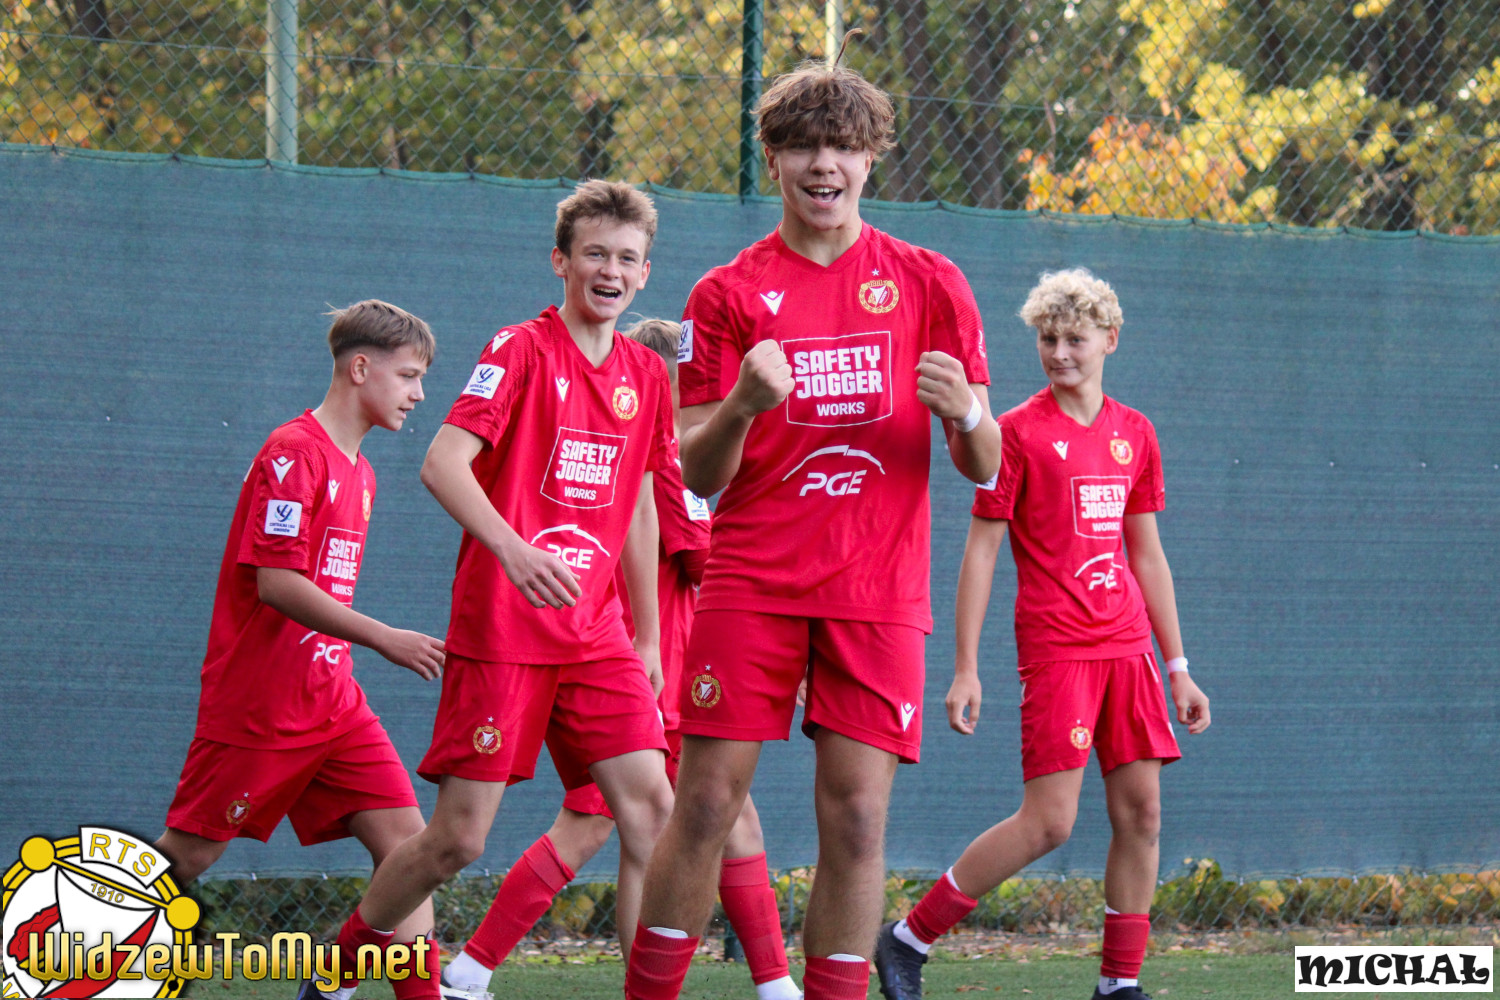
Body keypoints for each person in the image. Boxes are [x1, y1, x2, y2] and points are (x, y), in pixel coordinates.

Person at [623, 44, 1002, 1000]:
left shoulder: (930, 282)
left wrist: (967, 411)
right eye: (801, 147)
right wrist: (741, 406)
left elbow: (986, 465)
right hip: (752, 581)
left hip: (877, 590)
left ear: (870, 159)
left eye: (842, 147)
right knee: (704, 804)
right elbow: (696, 473)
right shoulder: (726, 293)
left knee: (859, 819)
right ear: (774, 160)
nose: (823, 165)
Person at [302, 180, 677, 1000]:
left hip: (598, 636)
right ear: (561, 262)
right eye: (594, 254)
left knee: (653, 813)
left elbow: (641, 503)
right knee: (458, 841)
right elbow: (443, 463)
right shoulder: (520, 348)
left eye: (626, 258)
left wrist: (647, 634)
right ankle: (339, 965)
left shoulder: (647, 374)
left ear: (646, 272)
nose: (610, 271)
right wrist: (512, 550)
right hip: (505, 629)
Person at [872, 269, 1212, 1000]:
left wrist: (1178, 664)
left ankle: (1118, 984)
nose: (1060, 353)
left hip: (1130, 652)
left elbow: (1147, 555)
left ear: (1110, 341)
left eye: (1075, 339)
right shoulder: (1015, 434)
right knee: (1050, 823)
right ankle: (907, 939)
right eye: (1048, 339)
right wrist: (965, 666)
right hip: (1059, 652)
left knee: (1143, 814)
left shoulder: (1135, 433)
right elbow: (982, 550)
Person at [440, 319, 800, 1000]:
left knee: (647, 823)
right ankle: (470, 967)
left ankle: (773, 983)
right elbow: (704, 559)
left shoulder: (651, 451)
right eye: (695, 383)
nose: (706, 396)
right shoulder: (666, 463)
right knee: (591, 826)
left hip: (640, 660)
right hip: (645, 668)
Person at [157, 299, 446, 1000]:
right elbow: (278, 584)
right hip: (260, 706)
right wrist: (383, 636)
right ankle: (59, 953)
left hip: (334, 705)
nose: (419, 394)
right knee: (185, 859)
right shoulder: (293, 453)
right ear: (360, 368)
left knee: (412, 853)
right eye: (409, 376)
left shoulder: (362, 472)